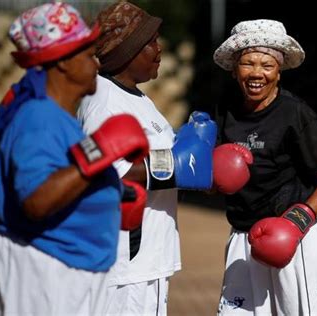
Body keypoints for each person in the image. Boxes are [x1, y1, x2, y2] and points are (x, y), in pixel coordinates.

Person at [0, 3, 150, 315]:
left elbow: (66, 174)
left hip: (55, 267)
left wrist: (112, 194)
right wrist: (100, 150)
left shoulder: (56, 116)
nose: (96, 63)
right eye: (87, 55)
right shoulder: (38, 117)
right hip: (38, 268)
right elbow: (37, 199)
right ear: (64, 62)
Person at [77, 1, 253, 315]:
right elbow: (107, 172)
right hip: (126, 262)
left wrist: (208, 174)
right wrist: (181, 166)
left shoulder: (139, 100)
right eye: (150, 43)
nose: (159, 49)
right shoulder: (103, 101)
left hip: (149, 256)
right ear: (127, 52)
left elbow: (169, 167)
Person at [213, 19, 317, 315]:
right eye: (248, 64)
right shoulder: (225, 110)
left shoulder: (296, 114)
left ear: (278, 72)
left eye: (266, 65)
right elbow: (218, 179)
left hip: (298, 233)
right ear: (234, 70)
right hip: (245, 233)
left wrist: (294, 223)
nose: (256, 74)